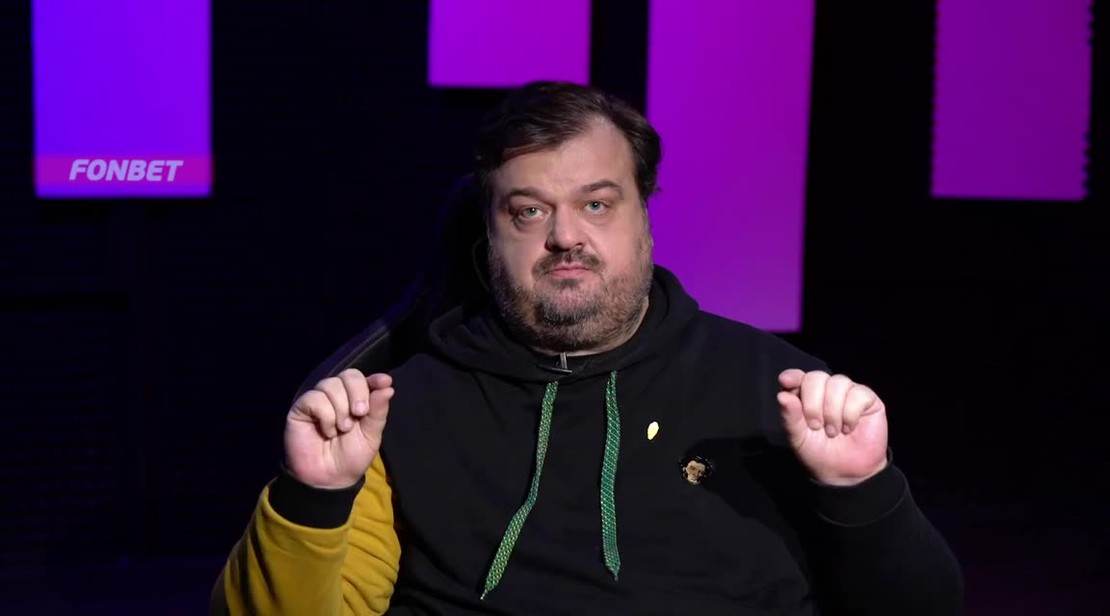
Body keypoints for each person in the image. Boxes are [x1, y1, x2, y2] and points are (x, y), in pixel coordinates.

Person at [212, 81, 963, 615]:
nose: (566, 235)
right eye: (529, 211)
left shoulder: (777, 390)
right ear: (488, 237)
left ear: (646, 221)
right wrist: (313, 497)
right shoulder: (395, 412)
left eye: (597, 203)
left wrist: (862, 491)